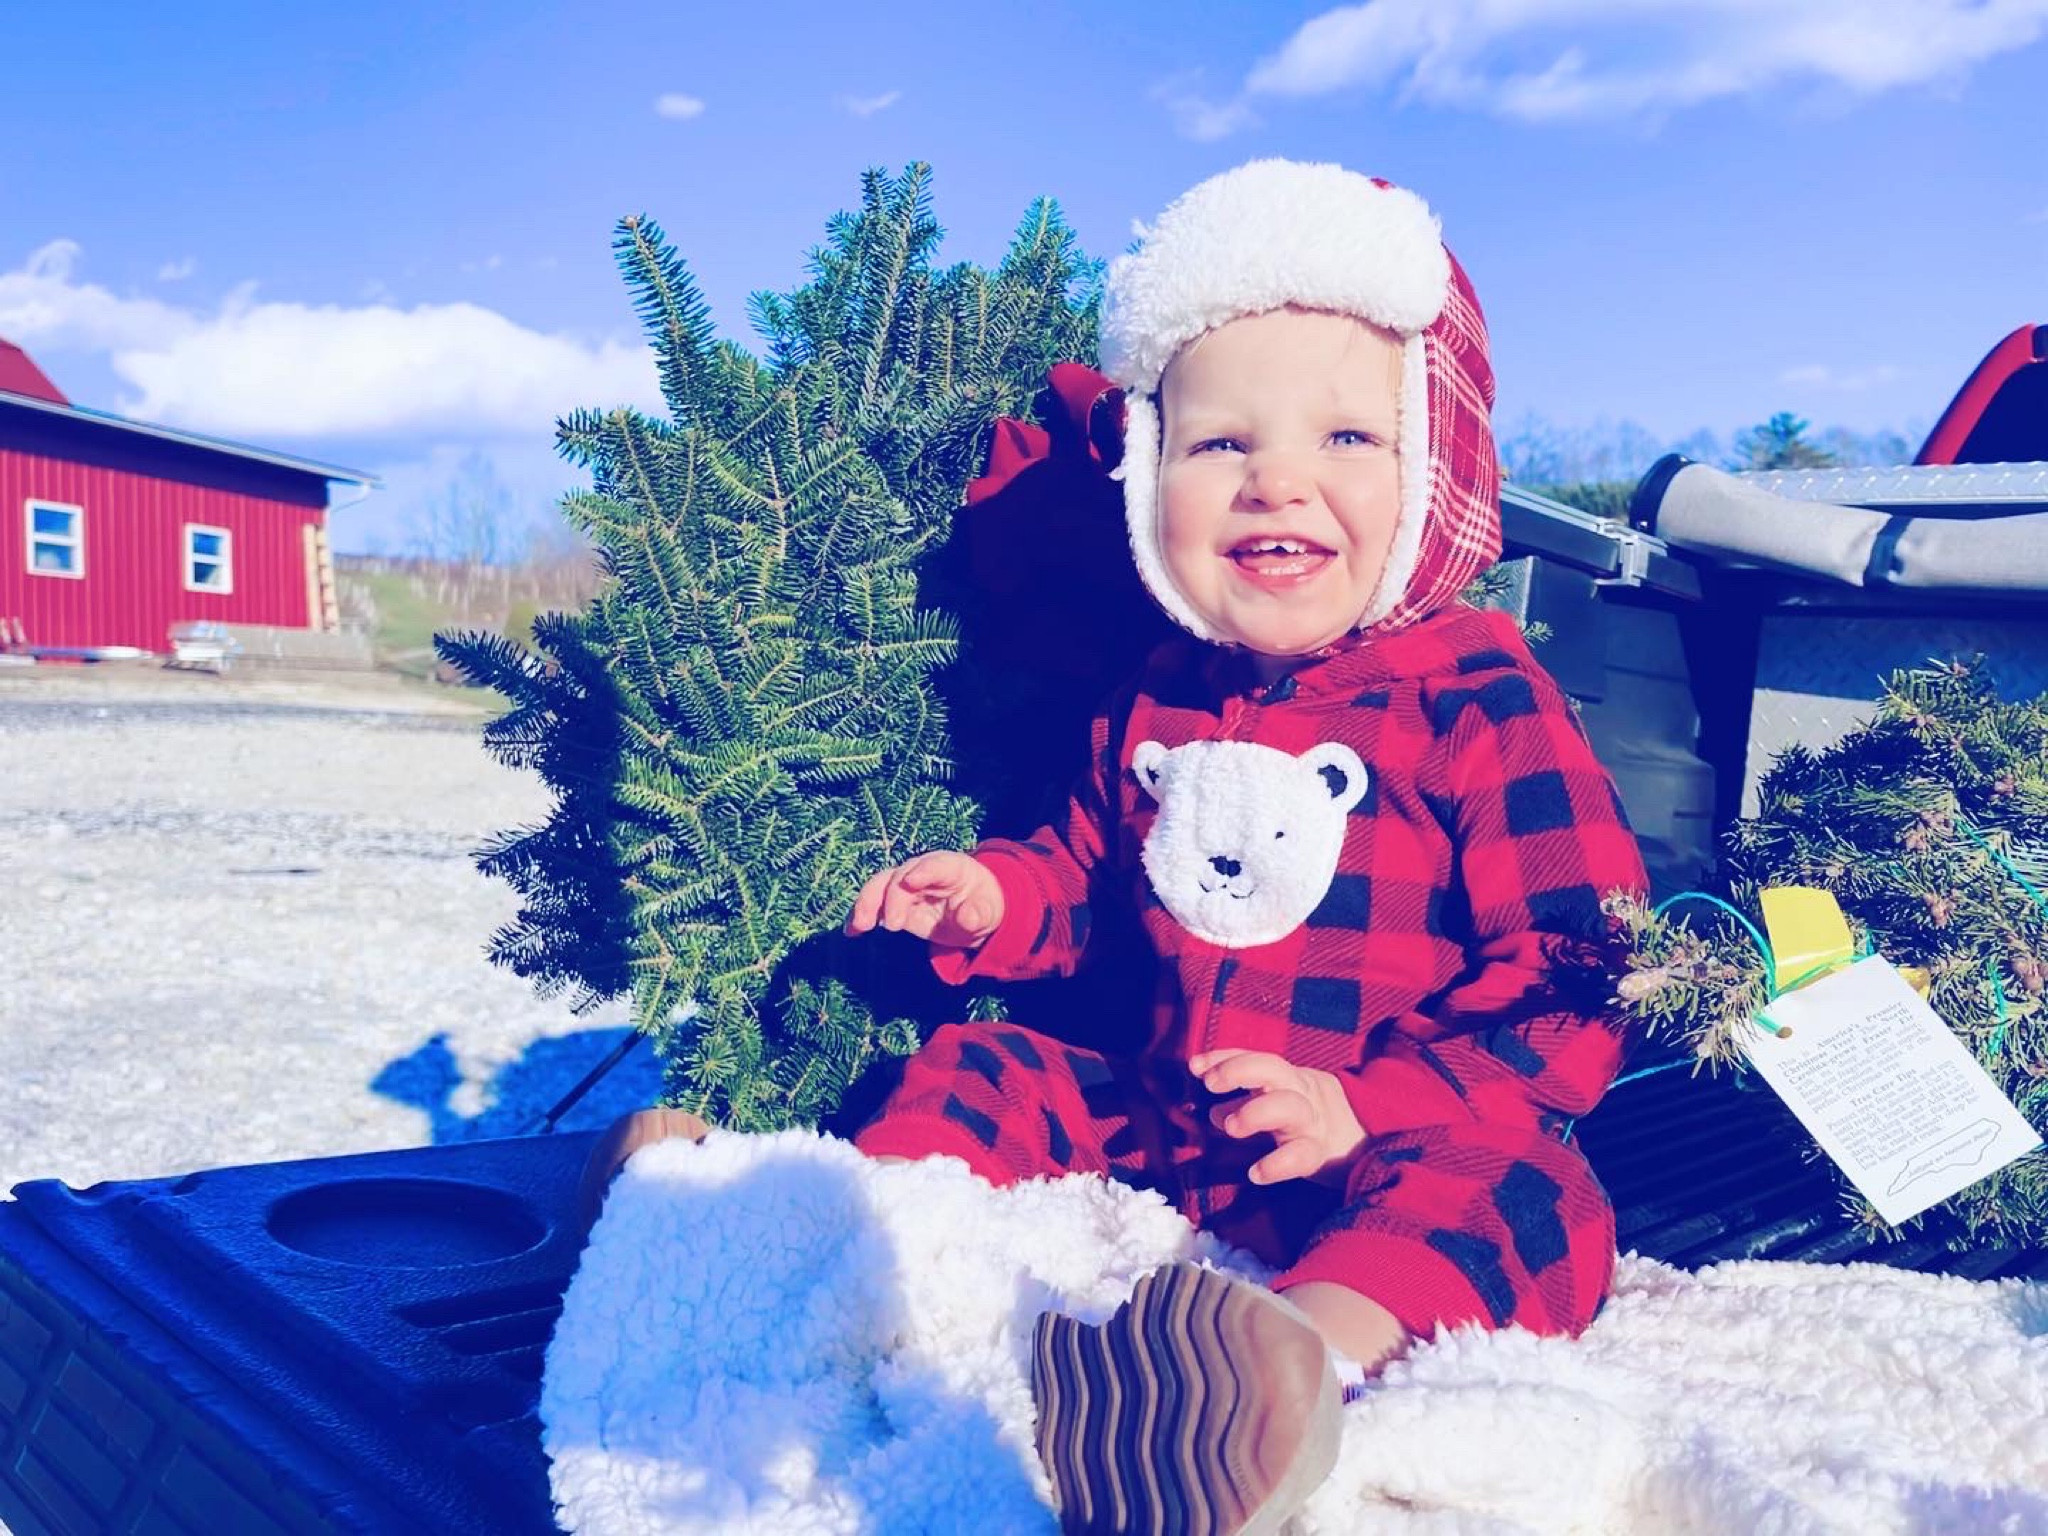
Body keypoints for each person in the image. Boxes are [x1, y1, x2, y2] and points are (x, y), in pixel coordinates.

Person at [585, 158, 1650, 1536]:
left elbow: (1580, 962)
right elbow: (1089, 877)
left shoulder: (1478, 696)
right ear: (1154, 473)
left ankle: (1280, 1382)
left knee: (1527, 1192)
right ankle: (809, 1254)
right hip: (1161, 1112)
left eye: (1345, 441)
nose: (1278, 483)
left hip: (1376, 1139)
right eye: (1220, 446)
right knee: (986, 1064)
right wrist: (985, 895)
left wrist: (1368, 1106)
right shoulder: (1161, 685)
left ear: (1435, 469)